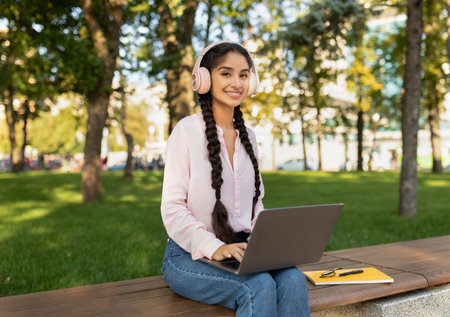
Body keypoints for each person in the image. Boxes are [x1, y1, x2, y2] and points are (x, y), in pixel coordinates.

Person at [160, 41, 311, 316]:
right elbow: (172, 209)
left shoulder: (249, 137)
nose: (237, 82)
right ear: (204, 79)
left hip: (242, 251)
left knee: (293, 279)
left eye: (243, 75)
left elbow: (256, 204)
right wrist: (215, 247)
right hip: (187, 256)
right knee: (258, 285)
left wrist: (265, 243)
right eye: (226, 73)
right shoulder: (186, 131)